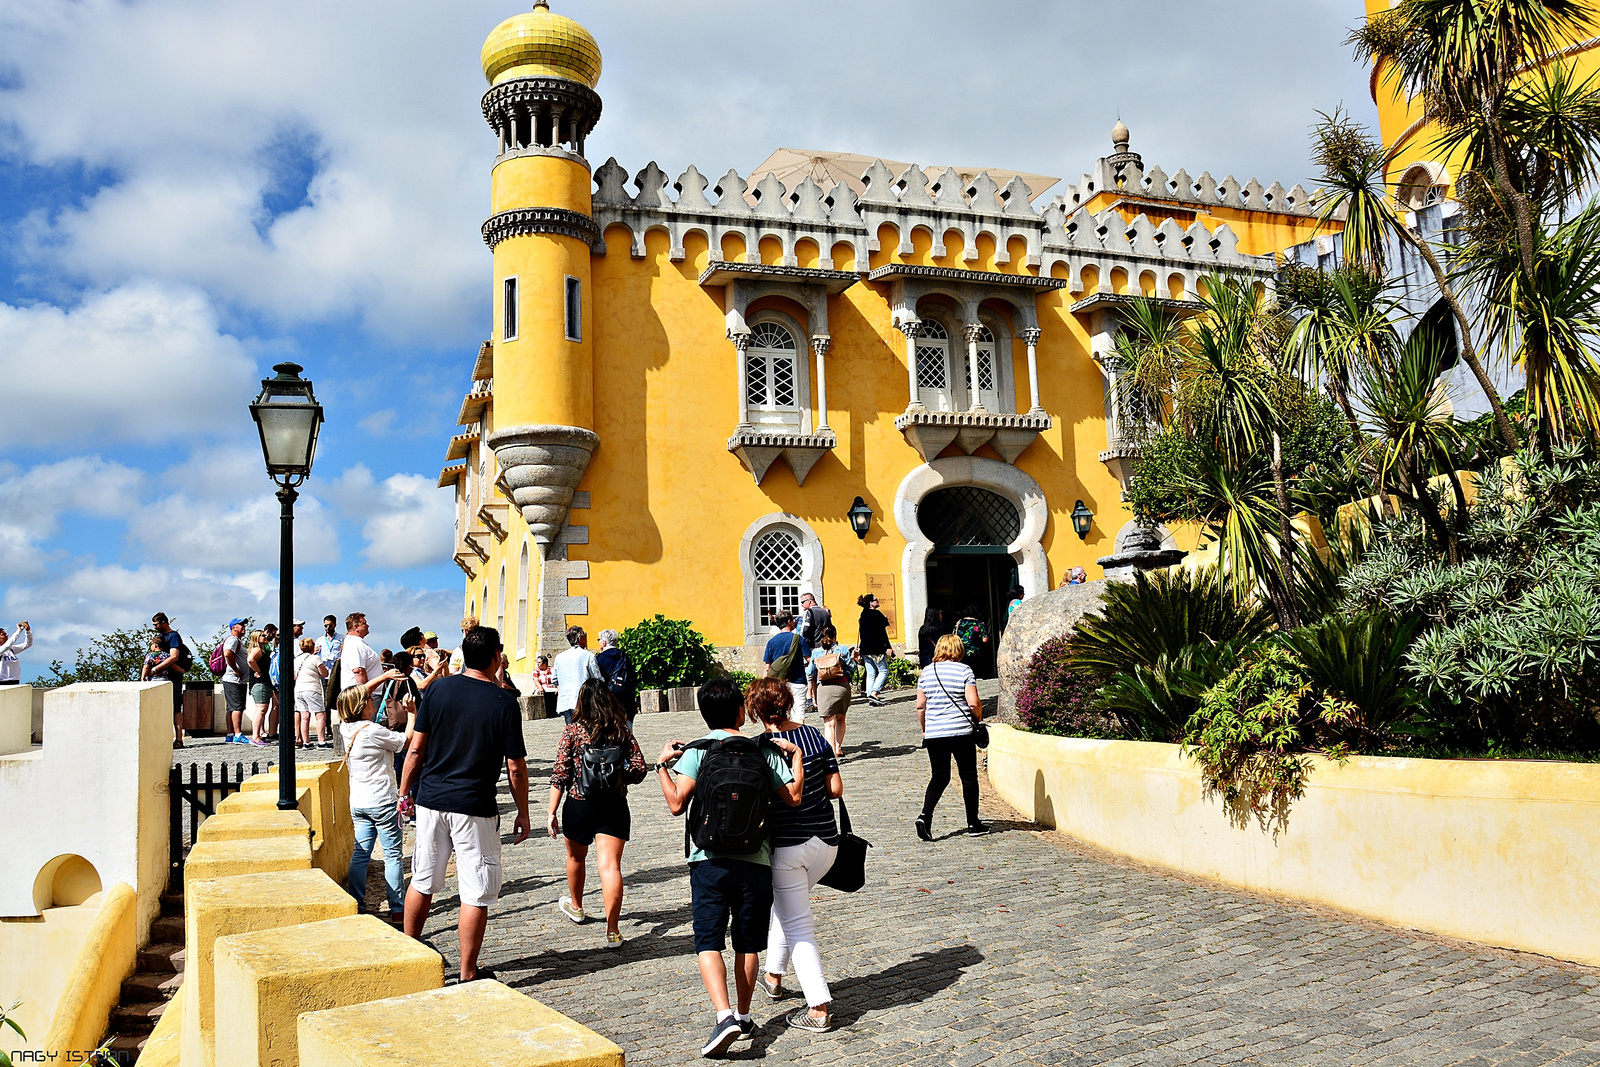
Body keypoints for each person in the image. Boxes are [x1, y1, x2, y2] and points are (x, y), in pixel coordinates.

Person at [655, 678, 804, 1057]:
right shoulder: (762, 751)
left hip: (708, 860)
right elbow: (793, 797)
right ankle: (743, 1013)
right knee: (747, 942)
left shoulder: (699, 750)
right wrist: (797, 758)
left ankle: (723, 1017)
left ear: (705, 716)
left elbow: (676, 804)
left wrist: (661, 766)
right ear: (741, 711)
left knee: (708, 940)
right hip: (755, 859)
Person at [401, 626, 530, 983]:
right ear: (494, 658)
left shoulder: (439, 689)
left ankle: (407, 955)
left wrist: (403, 791)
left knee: (423, 880)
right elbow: (516, 767)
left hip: (430, 800)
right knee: (474, 891)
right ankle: (468, 973)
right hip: (474, 804)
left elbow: (416, 748)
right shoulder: (504, 702)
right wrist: (523, 811)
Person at [748, 678, 843, 1033]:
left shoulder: (762, 747)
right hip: (826, 844)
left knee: (798, 923)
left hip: (787, 846)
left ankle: (818, 1007)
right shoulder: (816, 736)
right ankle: (773, 975)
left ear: (757, 711)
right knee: (789, 909)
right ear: (788, 703)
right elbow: (836, 788)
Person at [547, 679, 647, 947]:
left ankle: (577, 907)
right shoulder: (620, 730)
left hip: (579, 803)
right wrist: (619, 779)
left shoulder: (572, 731)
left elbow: (561, 774)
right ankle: (612, 930)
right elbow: (639, 768)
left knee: (576, 858)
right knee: (611, 866)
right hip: (613, 804)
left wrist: (551, 811)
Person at [337, 668, 410, 924]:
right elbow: (405, 741)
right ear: (362, 705)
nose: (372, 700)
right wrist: (411, 713)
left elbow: (355, 696)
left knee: (360, 854)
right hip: (382, 800)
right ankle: (398, 908)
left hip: (358, 801)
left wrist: (383, 677)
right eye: (369, 699)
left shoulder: (345, 727)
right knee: (392, 856)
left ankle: (357, 903)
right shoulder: (372, 731)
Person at [915, 634, 987, 840]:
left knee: (939, 776)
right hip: (960, 731)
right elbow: (973, 702)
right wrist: (978, 718)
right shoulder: (964, 670)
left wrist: (925, 729)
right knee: (968, 776)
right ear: (958, 650)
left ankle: (925, 816)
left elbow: (920, 706)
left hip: (935, 733)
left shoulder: (926, 673)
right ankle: (973, 823)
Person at [809, 625, 855, 756]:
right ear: (835, 636)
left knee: (829, 724)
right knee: (841, 718)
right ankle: (838, 747)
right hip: (842, 687)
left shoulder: (816, 652)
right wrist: (853, 658)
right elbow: (852, 668)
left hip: (824, 688)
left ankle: (831, 752)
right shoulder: (842, 649)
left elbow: (810, 672)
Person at [761, 612, 810, 722]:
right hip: (798, 682)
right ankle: (796, 737)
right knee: (798, 715)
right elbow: (809, 660)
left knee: (781, 716)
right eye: (793, 620)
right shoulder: (798, 639)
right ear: (789, 622)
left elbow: (767, 667)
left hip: (779, 684)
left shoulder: (771, 642)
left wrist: (764, 686)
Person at [150, 613, 187, 747]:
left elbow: (173, 657)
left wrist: (155, 669)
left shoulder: (173, 636)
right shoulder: (161, 637)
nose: (154, 627)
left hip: (172, 676)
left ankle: (178, 739)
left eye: (156, 624)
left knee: (176, 707)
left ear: (164, 622)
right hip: (161, 677)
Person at [553, 626, 602, 725]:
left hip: (566, 699)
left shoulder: (559, 657)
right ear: (580, 639)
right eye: (585, 636)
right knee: (586, 730)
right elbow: (596, 678)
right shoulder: (588, 656)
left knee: (571, 730)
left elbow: (554, 679)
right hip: (584, 699)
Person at [855, 593, 892, 707]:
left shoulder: (863, 614)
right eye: (876, 600)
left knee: (870, 673)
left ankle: (871, 698)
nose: (878, 601)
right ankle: (874, 692)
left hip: (865, 648)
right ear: (871, 603)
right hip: (876, 648)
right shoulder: (877, 614)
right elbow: (882, 633)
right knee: (884, 671)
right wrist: (888, 647)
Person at [294, 637, 331, 749]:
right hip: (312, 688)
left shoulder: (296, 660)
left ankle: (306, 742)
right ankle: (321, 742)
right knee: (320, 715)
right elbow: (324, 673)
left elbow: (294, 676)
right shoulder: (315, 658)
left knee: (304, 716)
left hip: (299, 689)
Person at [798, 593, 831, 715]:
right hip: (824, 647)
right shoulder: (825, 612)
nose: (802, 605)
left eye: (802, 602)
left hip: (812, 648)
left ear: (809, 601)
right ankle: (820, 701)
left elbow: (804, 630)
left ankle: (812, 701)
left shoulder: (809, 612)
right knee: (821, 676)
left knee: (810, 675)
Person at [595, 629, 637, 723]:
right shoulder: (624, 656)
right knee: (627, 728)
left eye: (599, 640)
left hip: (608, 699)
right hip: (626, 698)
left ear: (604, 643)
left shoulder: (600, 659)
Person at [221, 618, 249, 745]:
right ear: (233, 627)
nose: (243, 627)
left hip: (233, 679)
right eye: (240, 625)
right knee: (237, 707)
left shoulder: (236, 641)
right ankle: (237, 734)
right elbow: (228, 654)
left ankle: (230, 734)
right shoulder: (233, 640)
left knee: (231, 708)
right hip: (234, 679)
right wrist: (237, 671)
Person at [247, 630, 277, 746]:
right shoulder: (257, 650)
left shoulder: (262, 650)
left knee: (260, 710)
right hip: (260, 683)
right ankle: (255, 736)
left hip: (263, 683)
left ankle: (258, 734)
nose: (265, 637)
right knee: (261, 710)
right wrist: (258, 671)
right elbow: (250, 660)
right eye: (262, 636)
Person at [341, 612, 382, 686]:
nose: (367, 625)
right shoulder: (355, 644)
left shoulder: (354, 642)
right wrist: (366, 694)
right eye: (364, 623)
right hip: (362, 693)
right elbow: (358, 670)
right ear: (356, 627)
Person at [954, 604, 992, 679]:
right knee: (974, 671)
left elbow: (954, 635)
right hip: (975, 652)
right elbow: (985, 639)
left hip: (961, 651)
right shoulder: (979, 624)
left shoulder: (959, 622)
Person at [317, 615, 343, 706]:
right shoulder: (320, 640)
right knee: (326, 698)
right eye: (325, 626)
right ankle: (327, 720)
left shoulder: (341, 638)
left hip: (337, 671)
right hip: (325, 672)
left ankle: (341, 719)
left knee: (339, 697)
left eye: (330, 625)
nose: (327, 628)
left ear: (335, 625)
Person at [0, 621, 33, 686]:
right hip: (2, 682)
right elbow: (7, 645)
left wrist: (28, 631)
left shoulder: (11, 650)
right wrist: (19, 631)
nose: (7, 635)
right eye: (3, 634)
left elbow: (28, 644)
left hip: (14, 681)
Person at [533, 655, 557, 720]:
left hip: (551, 688)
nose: (537, 664)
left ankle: (554, 712)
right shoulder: (536, 671)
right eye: (537, 662)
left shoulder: (552, 669)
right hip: (542, 688)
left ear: (544, 663)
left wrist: (558, 687)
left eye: (539, 662)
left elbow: (557, 679)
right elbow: (536, 680)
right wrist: (540, 687)